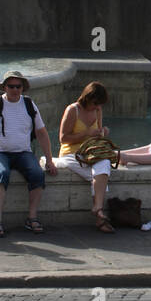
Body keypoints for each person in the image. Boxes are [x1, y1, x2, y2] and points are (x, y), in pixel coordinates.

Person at [0, 70, 58, 237]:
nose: (15, 90)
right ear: (4, 88)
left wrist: (50, 160)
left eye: (18, 86)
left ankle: (32, 217)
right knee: (2, 173)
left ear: (23, 88)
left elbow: (42, 133)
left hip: (23, 152)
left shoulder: (29, 104)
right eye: (11, 86)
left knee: (37, 174)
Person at [53, 82, 116, 233]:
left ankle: (98, 208)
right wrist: (86, 133)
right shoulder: (72, 110)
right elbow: (63, 138)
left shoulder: (98, 110)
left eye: (99, 104)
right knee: (100, 177)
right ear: (87, 97)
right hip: (71, 154)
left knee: (104, 163)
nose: (96, 107)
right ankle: (100, 217)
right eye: (94, 103)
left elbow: (98, 134)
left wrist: (102, 132)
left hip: (91, 152)